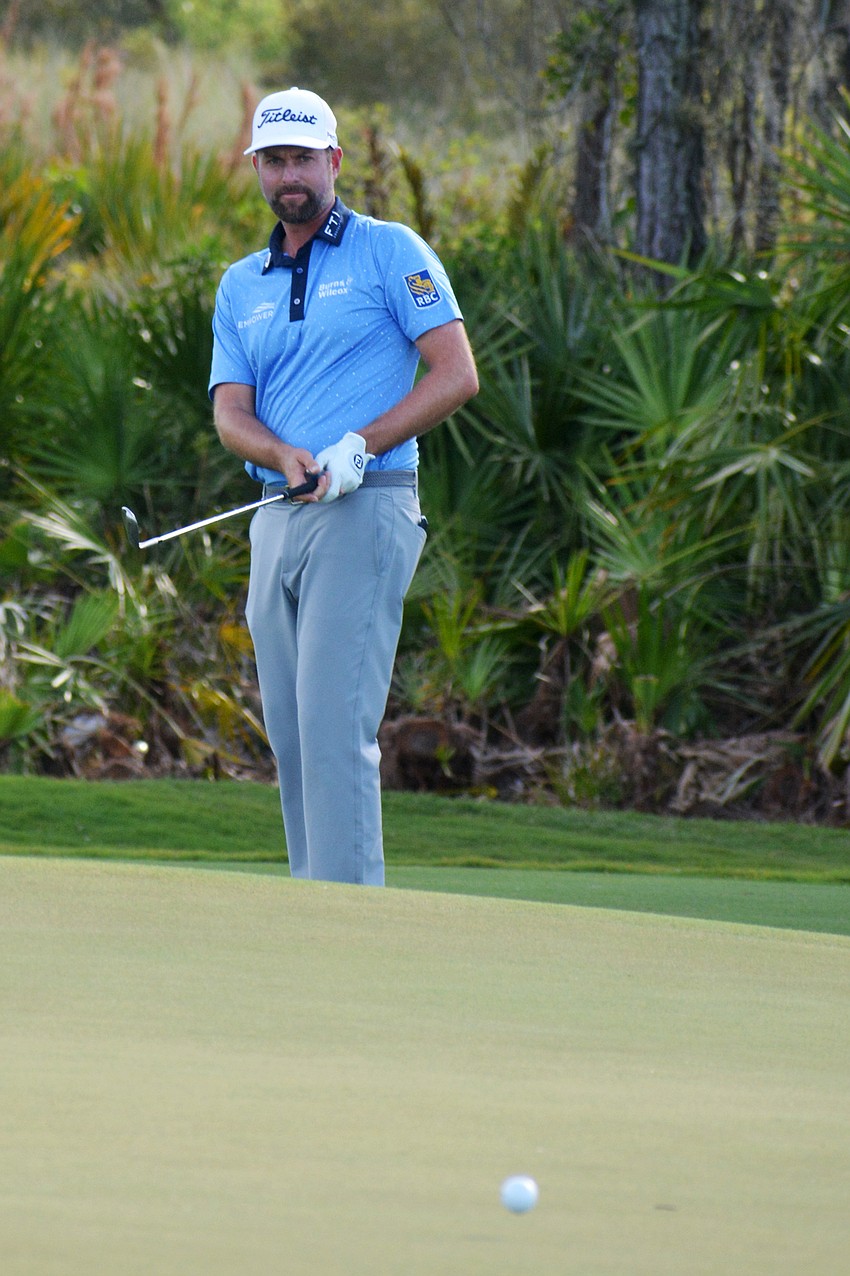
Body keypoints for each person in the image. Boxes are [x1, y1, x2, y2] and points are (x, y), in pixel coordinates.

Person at [209, 87, 478, 885]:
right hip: (275, 510)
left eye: (302, 157)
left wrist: (360, 444)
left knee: (333, 726)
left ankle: (348, 917)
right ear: (256, 168)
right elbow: (230, 414)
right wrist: (281, 451)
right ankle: (311, 908)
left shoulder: (389, 250)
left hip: (368, 503)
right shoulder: (242, 283)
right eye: (273, 160)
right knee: (291, 735)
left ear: (333, 160)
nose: (288, 174)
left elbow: (456, 374)